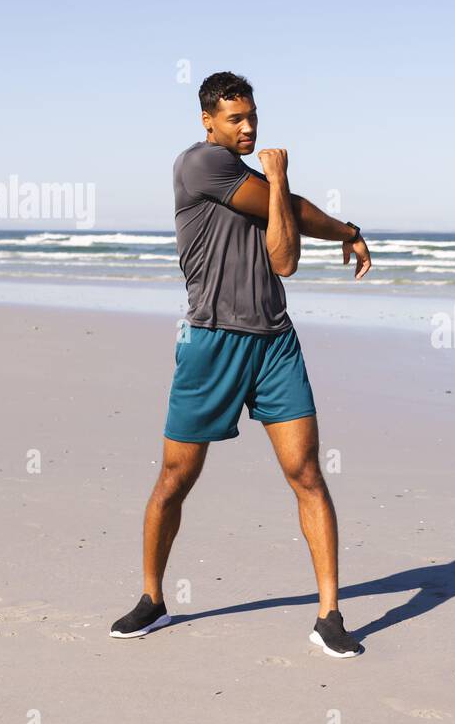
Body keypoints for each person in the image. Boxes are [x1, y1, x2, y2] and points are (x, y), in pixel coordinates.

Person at [110, 71, 372, 659]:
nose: (248, 126)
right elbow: (288, 229)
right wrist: (307, 201)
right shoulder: (201, 164)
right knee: (176, 478)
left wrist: (344, 229)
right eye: (235, 118)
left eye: (252, 116)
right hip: (212, 343)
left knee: (306, 472)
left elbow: (289, 235)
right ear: (208, 121)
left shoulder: (255, 179)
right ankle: (153, 598)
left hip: (275, 342)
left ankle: (329, 612)